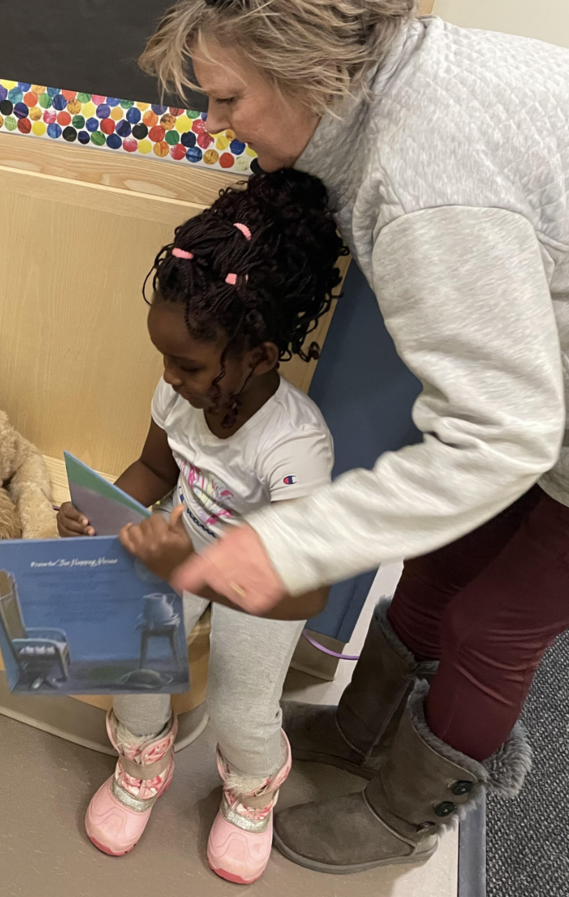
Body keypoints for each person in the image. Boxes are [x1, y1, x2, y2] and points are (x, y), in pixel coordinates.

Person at [139, 0, 569, 875]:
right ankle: (359, 729)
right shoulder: (412, 85)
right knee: (441, 564)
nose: (212, 123)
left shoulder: (422, 185)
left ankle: (401, 816)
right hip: (544, 391)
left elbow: (501, 436)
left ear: (303, 72)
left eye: (228, 99)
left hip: (534, 418)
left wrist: (288, 544)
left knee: (490, 625)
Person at [57, 168, 341, 883]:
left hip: (268, 583)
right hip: (184, 543)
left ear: (258, 357)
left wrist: (187, 565)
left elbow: (301, 589)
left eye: (185, 365)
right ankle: (142, 761)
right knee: (129, 650)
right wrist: (99, 510)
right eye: (165, 360)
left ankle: (251, 792)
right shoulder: (179, 397)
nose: (169, 378)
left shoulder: (296, 446)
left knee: (243, 710)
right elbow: (154, 470)